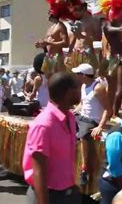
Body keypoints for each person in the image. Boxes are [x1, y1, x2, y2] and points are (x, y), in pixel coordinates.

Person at [22, 72, 82, 204]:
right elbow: (38, 172)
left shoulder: (70, 118)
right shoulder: (44, 125)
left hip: (67, 193)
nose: (80, 90)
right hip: (47, 196)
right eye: (77, 87)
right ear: (68, 93)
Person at [72, 63, 111, 185]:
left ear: (84, 75)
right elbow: (83, 104)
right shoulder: (84, 86)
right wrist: (74, 111)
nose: (76, 76)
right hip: (82, 116)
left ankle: (84, 170)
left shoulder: (98, 88)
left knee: (84, 135)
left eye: (78, 74)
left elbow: (107, 109)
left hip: (92, 120)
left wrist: (100, 126)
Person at [66, 2, 101, 69]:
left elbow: (98, 38)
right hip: (75, 53)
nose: (74, 13)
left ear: (84, 8)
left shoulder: (93, 20)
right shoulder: (76, 22)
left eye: (76, 9)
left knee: (88, 77)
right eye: (73, 10)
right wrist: (69, 53)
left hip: (87, 53)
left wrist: (82, 36)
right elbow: (74, 39)